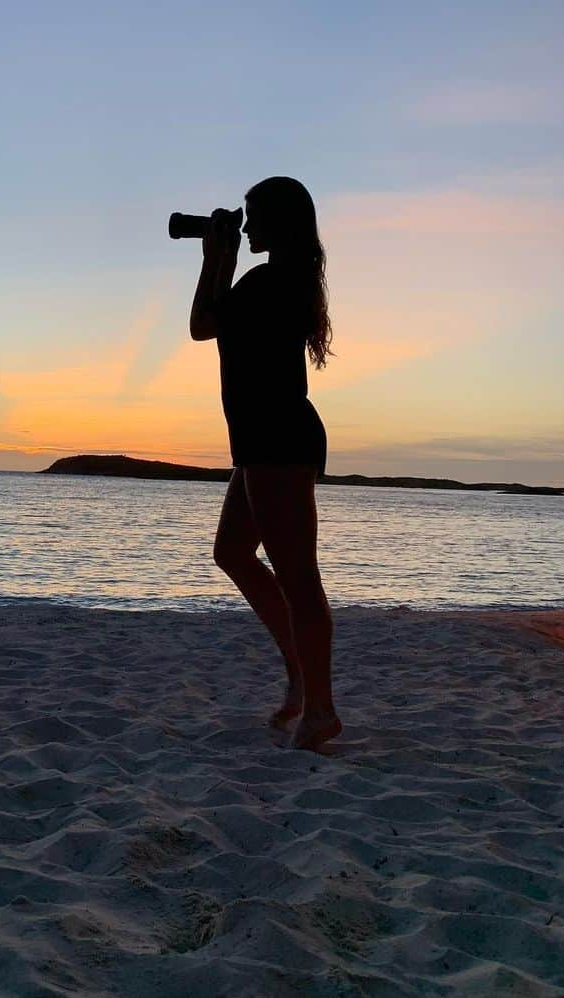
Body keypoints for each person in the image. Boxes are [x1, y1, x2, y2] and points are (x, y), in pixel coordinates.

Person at [189, 175, 342, 752]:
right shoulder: (282, 279)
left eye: (253, 217)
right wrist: (223, 256)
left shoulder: (272, 281)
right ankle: (302, 680)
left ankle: (320, 706)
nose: (247, 226)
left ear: (280, 221)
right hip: (261, 440)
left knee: (301, 580)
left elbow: (203, 323)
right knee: (230, 552)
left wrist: (217, 257)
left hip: (277, 440)